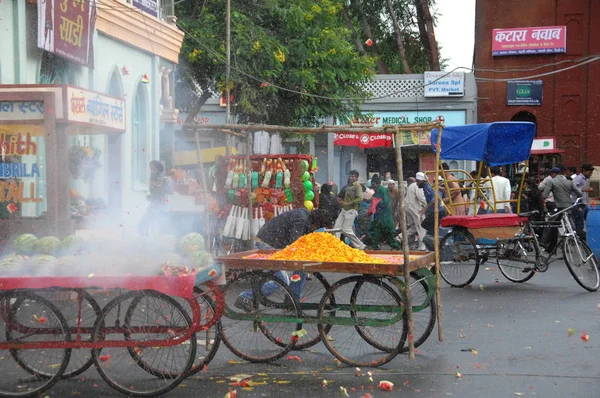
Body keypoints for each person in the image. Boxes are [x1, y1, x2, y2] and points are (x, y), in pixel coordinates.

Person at [235, 208, 331, 311]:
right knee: (281, 281)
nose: (315, 229)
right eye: (317, 227)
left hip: (275, 245)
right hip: (266, 245)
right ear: (315, 222)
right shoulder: (301, 220)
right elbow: (295, 244)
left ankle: (292, 300)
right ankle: (245, 297)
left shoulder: (306, 217)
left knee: (302, 267)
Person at [542, 165, 582, 253]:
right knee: (571, 223)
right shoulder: (569, 182)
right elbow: (580, 193)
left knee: (552, 224)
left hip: (560, 208)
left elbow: (544, 195)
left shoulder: (552, 182)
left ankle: (547, 242)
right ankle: (576, 238)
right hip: (569, 207)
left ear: (553, 174)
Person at [366, 174, 401, 250]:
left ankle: (396, 247)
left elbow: (386, 203)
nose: (373, 188)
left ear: (376, 184)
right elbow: (371, 200)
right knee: (376, 232)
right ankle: (374, 247)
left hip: (385, 217)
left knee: (388, 234)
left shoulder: (383, 190)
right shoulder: (376, 191)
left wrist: (376, 200)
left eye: (373, 186)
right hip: (378, 216)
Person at [333, 170, 366, 249]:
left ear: (357, 178)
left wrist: (349, 203)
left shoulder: (357, 186)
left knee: (346, 229)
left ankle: (360, 245)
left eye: (353, 176)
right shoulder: (348, 186)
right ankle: (335, 245)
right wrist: (341, 201)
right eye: (350, 176)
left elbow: (360, 198)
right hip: (344, 209)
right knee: (336, 227)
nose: (351, 178)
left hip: (351, 210)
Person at [139, 160, 172, 236]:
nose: (151, 171)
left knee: (144, 225)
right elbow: (154, 192)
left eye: (153, 169)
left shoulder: (163, 179)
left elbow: (170, 190)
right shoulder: (152, 179)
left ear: (158, 169)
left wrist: (160, 187)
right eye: (151, 169)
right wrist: (151, 196)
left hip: (159, 206)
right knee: (144, 225)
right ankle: (147, 240)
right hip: (154, 205)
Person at [571, 164, 594, 241]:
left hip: (584, 204)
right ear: (584, 171)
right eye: (589, 172)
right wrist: (584, 190)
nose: (590, 174)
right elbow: (572, 188)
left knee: (589, 220)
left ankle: (588, 236)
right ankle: (579, 240)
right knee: (579, 223)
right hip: (578, 204)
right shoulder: (579, 178)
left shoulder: (586, 179)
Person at [405, 172, 427, 250]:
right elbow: (421, 198)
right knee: (421, 227)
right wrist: (429, 204)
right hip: (414, 208)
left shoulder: (411, 186)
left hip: (408, 208)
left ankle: (400, 237)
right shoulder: (417, 186)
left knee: (413, 227)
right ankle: (422, 247)